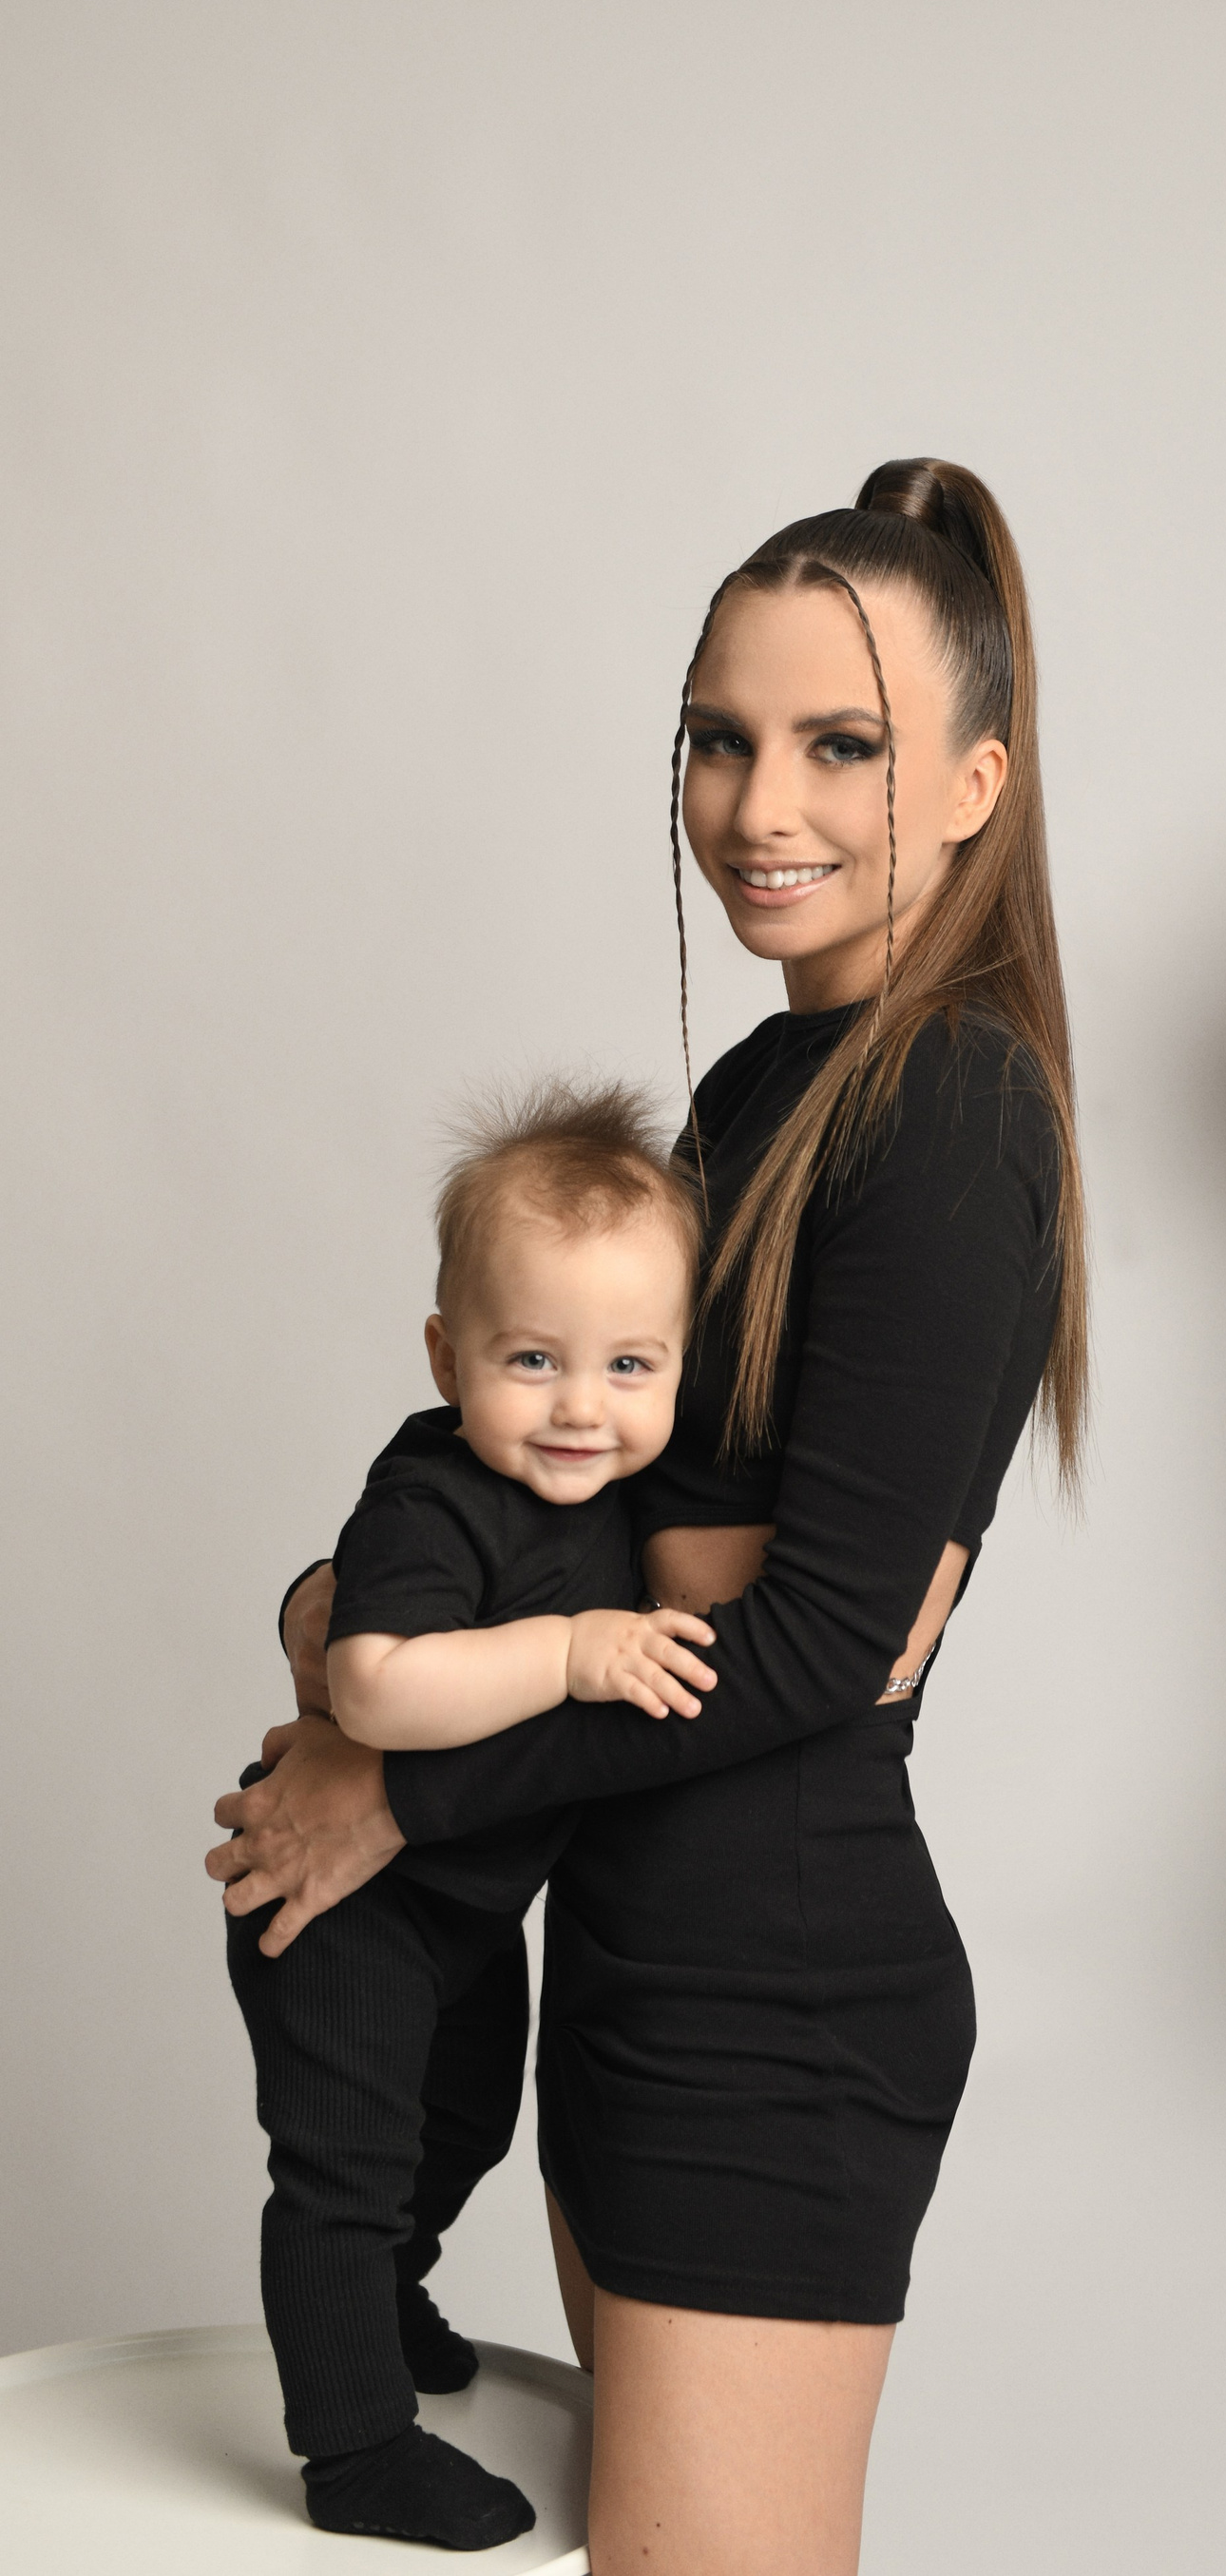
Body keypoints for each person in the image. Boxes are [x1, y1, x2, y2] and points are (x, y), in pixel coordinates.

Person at [209, 456, 1089, 2576]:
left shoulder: (949, 1105)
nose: (760, 804)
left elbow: (816, 1648)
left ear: (975, 783)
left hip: (772, 2004)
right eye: (719, 737)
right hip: (624, 1942)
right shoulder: (759, 1092)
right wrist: (351, 1616)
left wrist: (402, 1785)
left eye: (843, 745)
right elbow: (584, 1526)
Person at [227, 1079, 713, 2547]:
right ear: (450, 1356)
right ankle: (355, 2449)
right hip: (344, 1906)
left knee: (466, 2122)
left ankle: (385, 2290)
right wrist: (568, 1652)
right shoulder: (433, 1494)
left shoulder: (623, 1493)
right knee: (343, 2172)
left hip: (467, 1905)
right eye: (532, 1358)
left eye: (630, 1364)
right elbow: (371, 1683)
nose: (582, 1406)